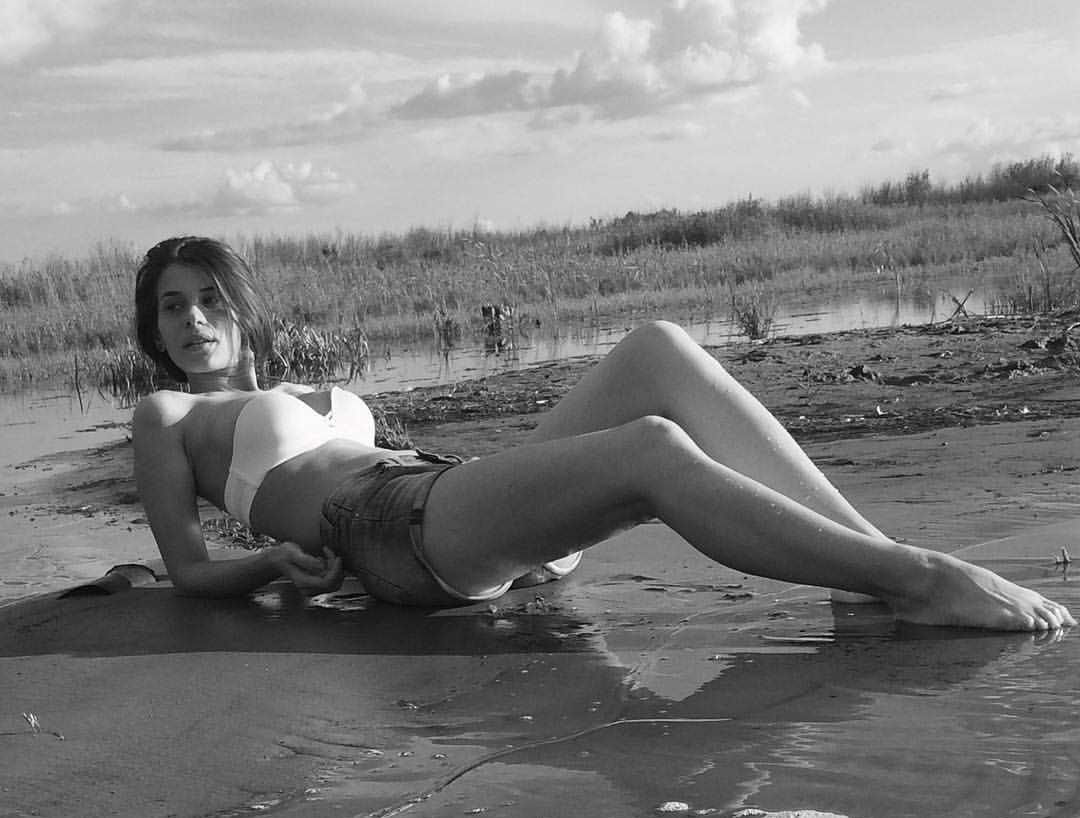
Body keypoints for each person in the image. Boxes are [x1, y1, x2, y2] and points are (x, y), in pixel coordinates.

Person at [132, 236, 1074, 632]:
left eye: (210, 298)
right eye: (173, 307)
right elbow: (188, 573)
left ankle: (867, 568)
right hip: (387, 530)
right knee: (649, 448)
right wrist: (271, 565)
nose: (193, 320)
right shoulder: (169, 415)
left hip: (443, 496)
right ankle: (917, 580)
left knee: (657, 349)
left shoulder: (304, 389)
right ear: (154, 327)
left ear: (241, 306)